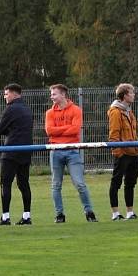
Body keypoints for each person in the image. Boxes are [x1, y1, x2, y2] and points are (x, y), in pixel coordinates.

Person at [45, 84, 97, 223]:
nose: (52, 97)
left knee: (80, 183)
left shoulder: (76, 110)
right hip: (55, 151)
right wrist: (64, 130)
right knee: (56, 184)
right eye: (51, 94)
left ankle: (89, 212)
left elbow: (75, 130)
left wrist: (59, 131)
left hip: (73, 151)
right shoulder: (49, 113)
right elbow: (49, 131)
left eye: (54, 94)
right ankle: (59, 215)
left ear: (63, 95)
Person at [0, 83, 33, 226]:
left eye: (7, 93)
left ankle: (5, 217)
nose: (5, 96)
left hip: (11, 151)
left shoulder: (10, 109)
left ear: (15, 94)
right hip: (26, 150)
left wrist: (10, 131)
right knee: (24, 184)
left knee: (5, 183)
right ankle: (27, 216)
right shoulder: (27, 109)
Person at [107, 83, 138, 221]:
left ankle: (130, 212)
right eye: (131, 93)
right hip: (122, 153)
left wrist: (137, 150)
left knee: (130, 183)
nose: (133, 95)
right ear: (125, 95)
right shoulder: (116, 112)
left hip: (134, 152)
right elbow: (114, 134)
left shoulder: (129, 111)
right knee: (116, 182)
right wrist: (118, 152)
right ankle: (115, 213)